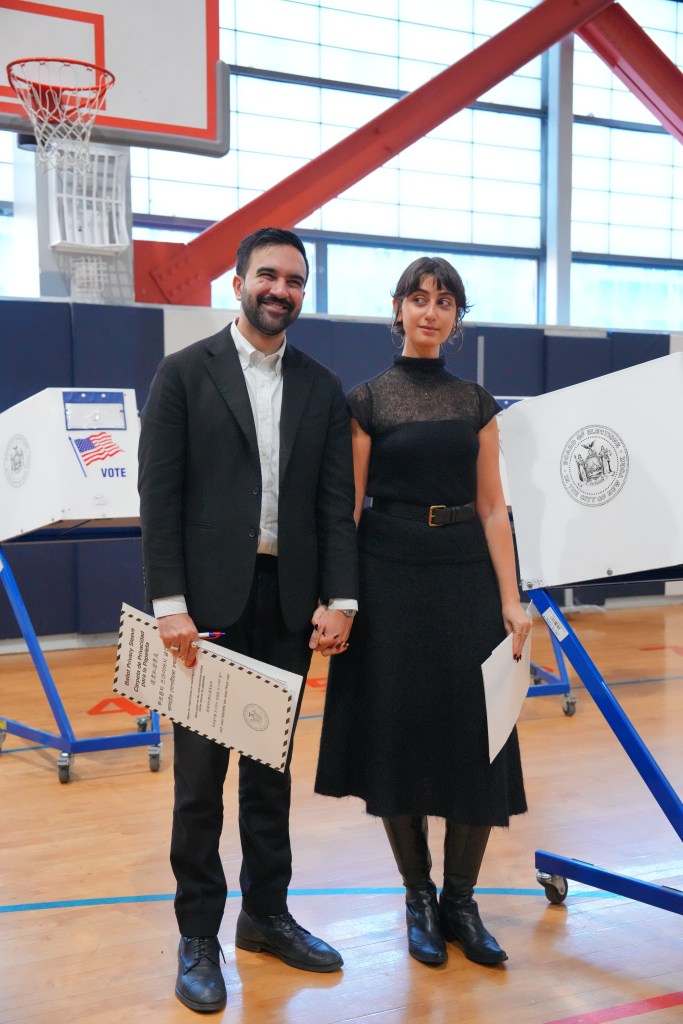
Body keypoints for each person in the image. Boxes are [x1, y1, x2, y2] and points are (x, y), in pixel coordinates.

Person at [138, 227, 358, 1013]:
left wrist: (342, 598)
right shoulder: (182, 374)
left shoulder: (322, 386)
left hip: (288, 606)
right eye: (267, 275)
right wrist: (170, 605)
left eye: (295, 280)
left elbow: (336, 505)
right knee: (199, 786)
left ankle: (265, 917)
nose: (281, 289)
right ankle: (198, 933)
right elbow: (158, 501)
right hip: (205, 614)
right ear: (236, 283)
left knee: (269, 779)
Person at [315, 256, 529, 969]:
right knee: (398, 736)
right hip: (388, 575)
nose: (430, 312)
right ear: (398, 310)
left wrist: (511, 597)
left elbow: (495, 508)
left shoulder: (476, 402)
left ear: (456, 319)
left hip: (466, 572)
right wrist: (338, 598)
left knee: (479, 735)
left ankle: (460, 901)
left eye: (444, 302)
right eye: (418, 299)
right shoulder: (367, 399)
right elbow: (344, 511)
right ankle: (417, 895)